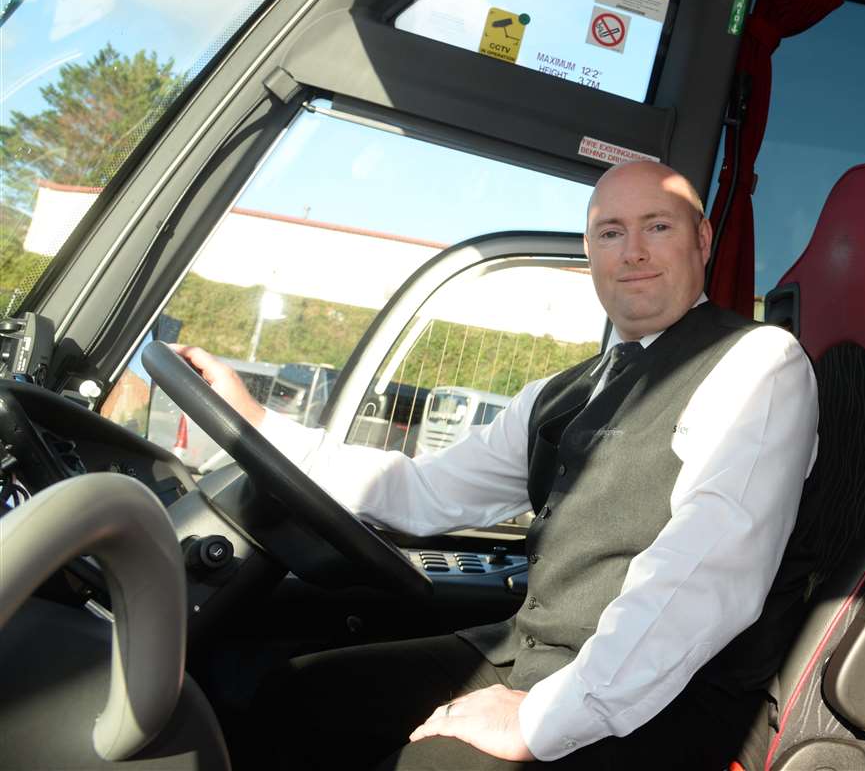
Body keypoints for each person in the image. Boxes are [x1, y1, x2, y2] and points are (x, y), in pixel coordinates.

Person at [178, 160, 819, 770]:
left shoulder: (760, 362)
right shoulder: (561, 393)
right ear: (590, 252)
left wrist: (539, 720)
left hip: (663, 700)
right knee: (301, 696)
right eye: (610, 232)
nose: (634, 252)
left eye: (658, 226)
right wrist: (261, 428)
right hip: (533, 655)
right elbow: (423, 493)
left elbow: (706, 570)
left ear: (702, 239)